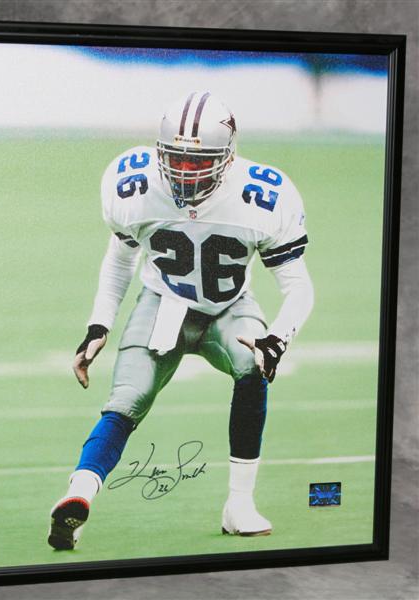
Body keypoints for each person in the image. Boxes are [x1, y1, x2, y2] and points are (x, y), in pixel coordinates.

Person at [48, 91, 314, 550]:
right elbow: (120, 259)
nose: (185, 171)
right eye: (176, 159)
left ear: (227, 157)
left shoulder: (263, 196)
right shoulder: (135, 186)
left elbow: (299, 287)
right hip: (162, 303)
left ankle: (239, 505)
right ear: (160, 151)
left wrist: (277, 338)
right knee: (127, 397)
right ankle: (79, 494)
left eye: (199, 162)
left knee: (253, 367)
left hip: (229, 308)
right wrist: (98, 325)